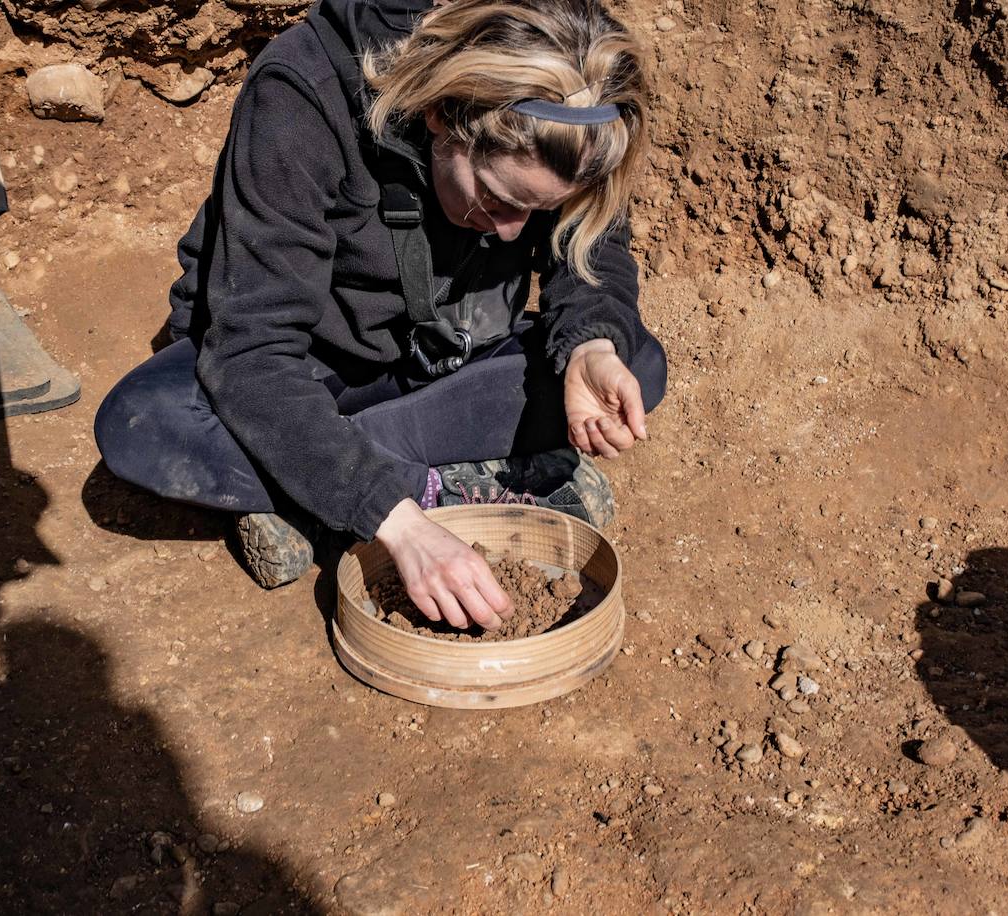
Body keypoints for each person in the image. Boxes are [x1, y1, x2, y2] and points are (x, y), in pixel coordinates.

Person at [95, 0, 667, 632]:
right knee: (144, 424)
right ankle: (434, 481)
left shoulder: (572, 93)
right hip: (309, 369)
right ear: (441, 115)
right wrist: (394, 515)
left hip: (449, 356)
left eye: (539, 210)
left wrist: (590, 346)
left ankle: (313, 480)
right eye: (498, 200)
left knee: (631, 360)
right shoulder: (302, 92)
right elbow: (252, 354)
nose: (514, 235)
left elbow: (593, 249)